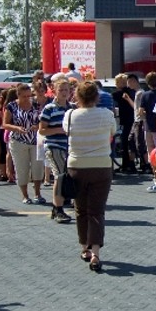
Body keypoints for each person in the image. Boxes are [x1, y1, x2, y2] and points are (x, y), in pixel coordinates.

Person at [65, 81, 116, 273]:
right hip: (101, 165)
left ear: (77, 96)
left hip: (77, 165)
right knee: (97, 211)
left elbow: (67, 132)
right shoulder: (107, 114)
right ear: (97, 97)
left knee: (81, 210)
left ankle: (84, 247)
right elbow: (112, 133)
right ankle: (96, 252)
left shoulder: (70, 115)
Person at [38, 78, 75, 223]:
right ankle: (59, 209)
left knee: (68, 176)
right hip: (54, 146)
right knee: (60, 176)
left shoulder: (72, 108)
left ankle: (57, 206)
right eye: (61, 90)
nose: (64, 93)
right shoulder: (49, 108)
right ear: (54, 91)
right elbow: (42, 130)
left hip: (69, 147)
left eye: (67, 90)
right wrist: (59, 130)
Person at [3, 83, 44, 205]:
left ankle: (38, 194)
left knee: (37, 168)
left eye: (29, 96)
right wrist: (16, 128)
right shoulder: (11, 106)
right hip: (18, 141)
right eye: (24, 96)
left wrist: (37, 126)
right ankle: (25, 195)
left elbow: (43, 121)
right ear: (18, 95)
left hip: (35, 140)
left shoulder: (36, 104)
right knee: (22, 169)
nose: (27, 98)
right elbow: (5, 124)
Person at [138, 71, 156, 169]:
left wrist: (145, 114)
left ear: (147, 83)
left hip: (148, 126)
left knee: (151, 151)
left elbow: (141, 112)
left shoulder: (145, 95)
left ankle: (155, 171)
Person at [114, 73, 137, 173]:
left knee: (125, 142)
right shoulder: (132, 91)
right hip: (133, 119)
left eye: (117, 82)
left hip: (127, 120)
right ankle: (130, 164)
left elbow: (113, 97)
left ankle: (126, 165)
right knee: (130, 142)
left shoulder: (120, 93)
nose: (116, 84)